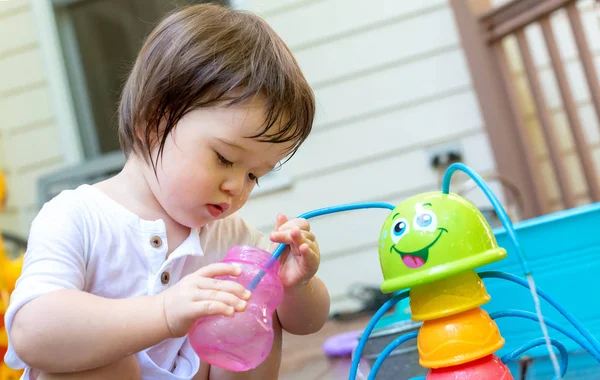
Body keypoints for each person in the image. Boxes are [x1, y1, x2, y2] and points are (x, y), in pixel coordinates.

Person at [4, 3, 330, 379]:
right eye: (225, 158)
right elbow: (32, 331)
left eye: (255, 175)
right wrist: (164, 313)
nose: (237, 187)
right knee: (104, 358)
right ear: (153, 123)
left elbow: (307, 324)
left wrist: (296, 285)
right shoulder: (77, 217)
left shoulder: (233, 239)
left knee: (253, 307)